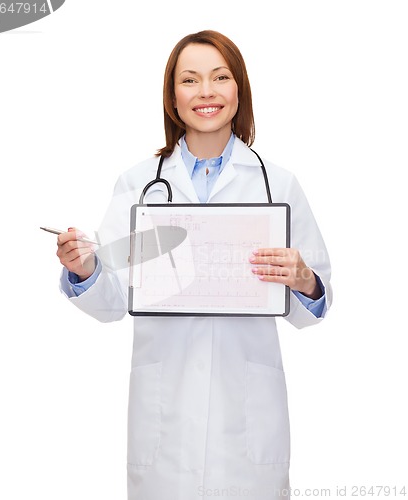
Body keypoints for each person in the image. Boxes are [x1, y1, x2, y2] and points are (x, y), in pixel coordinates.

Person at [56, 30, 332, 500]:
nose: (206, 91)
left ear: (238, 90)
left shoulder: (277, 185)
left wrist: (304, 280)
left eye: (220, 77)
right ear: (172, 97)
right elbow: (112, 304)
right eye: (190, 80)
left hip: (248, 421)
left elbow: (314, 308)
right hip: (166, 421)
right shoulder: (139, 182)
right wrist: (84, 269)